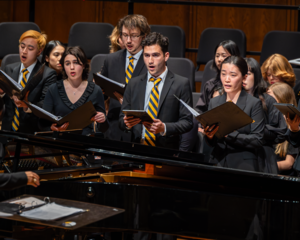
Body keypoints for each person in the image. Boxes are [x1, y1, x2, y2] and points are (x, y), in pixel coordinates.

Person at [119, 32, 193, 150]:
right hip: (138, 148)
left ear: (166, 56)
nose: (150, 61)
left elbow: (187, 122)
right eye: (146, 55)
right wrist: (126, 124)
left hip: (165, 151)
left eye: (155, 55)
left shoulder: (181, 84)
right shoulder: (133, 83)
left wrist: (164, 127)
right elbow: (121, 120)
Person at [204, 56, 265, 171]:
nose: (227, 79)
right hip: (218, 160)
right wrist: (209, 136)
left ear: (244, 77)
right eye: (223, 74)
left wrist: (229, 134)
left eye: (233, 75)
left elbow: (258, 139)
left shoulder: (253, 103)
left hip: (243, 164)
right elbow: (211, 143)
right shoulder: (214, 102)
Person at [39, 46, 109, 135]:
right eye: (67, 63)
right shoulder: (53, 89)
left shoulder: (96, 90)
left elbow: (104, 129)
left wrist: (103, 119)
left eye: (76, 63)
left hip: (85, 143)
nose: (72, 67)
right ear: (63, 67)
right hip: (60, 142)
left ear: (83, 65)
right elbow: (42, 124)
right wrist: (52, 128)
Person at [101, 14, 150, 141]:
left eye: (133, 36)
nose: (128, 40)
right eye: (124, 35)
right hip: (114, 129)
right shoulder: (111, 60)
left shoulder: (151, 61)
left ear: (143, 37)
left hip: (140, 129)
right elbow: (102, 95)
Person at [1, 30, 57, 134]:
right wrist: (1, 93)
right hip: (7, 131)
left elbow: (46, 105)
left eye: (30, 48)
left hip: (31, 133)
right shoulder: (8, 69)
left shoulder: (47, 74)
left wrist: (27, 106)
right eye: (22, 47)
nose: (24, 51)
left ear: (39, 51)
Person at [195, 40, 241, 114]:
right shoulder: (210, 85)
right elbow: (200, 110)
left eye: (223, 55)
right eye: (217, 56)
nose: (219, 59)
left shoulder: (242, 84)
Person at [267, 82, 299, 175]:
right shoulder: (267, 119)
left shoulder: (293, 127)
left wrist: (266, 167)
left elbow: (289, 163)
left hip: (281, 178)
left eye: (270, 99)